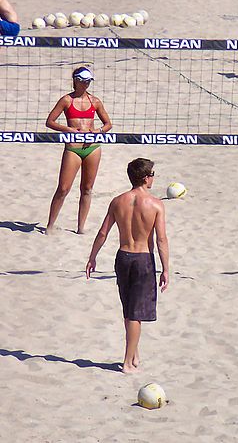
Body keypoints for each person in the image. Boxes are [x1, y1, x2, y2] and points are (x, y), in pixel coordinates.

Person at [86, 158, 169, 374]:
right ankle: (127, 362)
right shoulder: (155, 204)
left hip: (122, 257)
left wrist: (92, 257)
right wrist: (166, 269)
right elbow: (161, 240)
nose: (153, 177)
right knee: (135, 313)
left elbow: (103, 232)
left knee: (128, 308)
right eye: (152, 173)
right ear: (145, 178)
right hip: (142, 259)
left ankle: (134, 353)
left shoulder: (117, 201)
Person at [45, 67, 112, 234]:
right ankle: (50, 225)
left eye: (88, 80)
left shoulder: (94, 101)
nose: (86, 83)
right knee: (63, 188)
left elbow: (108, 124)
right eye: (83, 80)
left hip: (92, 148)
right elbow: (50, 122)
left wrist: (99, 131)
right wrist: (68, 129)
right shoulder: (66, 100)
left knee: (87, 189)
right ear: (75, 80)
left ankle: (81, 228)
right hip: (73, 148)